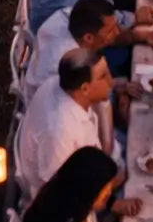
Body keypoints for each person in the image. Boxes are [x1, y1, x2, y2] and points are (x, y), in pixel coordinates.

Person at [16, 49, 120, 194]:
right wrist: (112, 202)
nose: (110, 81)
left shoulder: (60, 85)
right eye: (103, 76)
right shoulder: (61, 130)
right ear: (84, 89)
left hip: (89, 167)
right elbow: (59, 190)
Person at [23, 0, 120, 102]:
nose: (117, 33)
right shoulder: (70, 65)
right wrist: (114, 92)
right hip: (48, 104)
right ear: (88, 38)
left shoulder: (67, 16)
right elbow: (96, 99)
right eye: (110, 31)